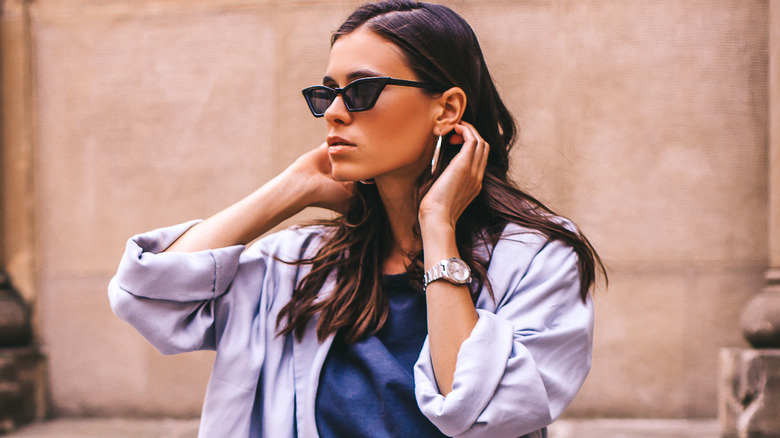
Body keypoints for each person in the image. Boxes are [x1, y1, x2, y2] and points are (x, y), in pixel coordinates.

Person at [108, 1, 605, 437]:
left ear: (447, 109)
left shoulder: (539, 257)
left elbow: (476, 411)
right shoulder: (302, 263)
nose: (335, 114)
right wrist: (293, 187)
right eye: (328, 94)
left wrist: (437, 227)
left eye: (362, 90)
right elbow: (148, 298)